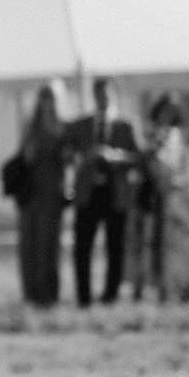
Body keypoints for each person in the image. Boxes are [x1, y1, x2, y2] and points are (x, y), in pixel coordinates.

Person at [68, 77, 140, 306]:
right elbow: (68, 153)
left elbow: (138, 158)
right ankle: (84, 298)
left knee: (115, 246)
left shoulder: (125, 126)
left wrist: (115, 156)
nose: (103, 98)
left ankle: (111, 295)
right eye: (99, 94)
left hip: (114, 192)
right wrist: (84, 156)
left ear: (113, 95)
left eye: (106, 94)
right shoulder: (81, 125)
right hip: (89, 192)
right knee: (82, 247)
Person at [12, 81, 68, 306]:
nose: (46, 102)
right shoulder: (31, 127)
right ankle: (31, 293)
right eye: (43, 97)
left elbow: (67, 159)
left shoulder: (63, 127)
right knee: (29, 244)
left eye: (51, 98)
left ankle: (48, 294)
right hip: (30, 194)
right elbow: (23, 158)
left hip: (51, 193)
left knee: (48, 245)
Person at [144, 94, 189, 302]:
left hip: (179, 197)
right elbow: (152, 164)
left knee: (181, 244)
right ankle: (163, 288)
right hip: (159, 197)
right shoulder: (154, 136)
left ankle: (184, 286)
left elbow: (187, 164)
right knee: (160, 244)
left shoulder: (182, 137)